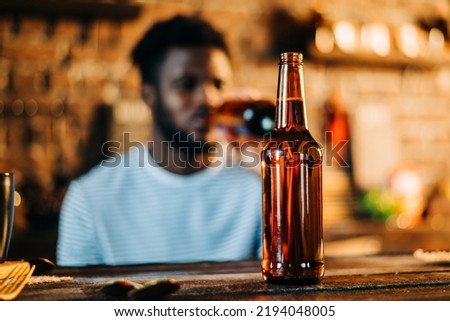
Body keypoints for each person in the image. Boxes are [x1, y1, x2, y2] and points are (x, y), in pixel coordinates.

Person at [56, 15, 262, 266]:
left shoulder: (258, 188)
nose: (209, 99)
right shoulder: (90, 197)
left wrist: (273, 167)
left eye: (218, 84)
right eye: (187, 84)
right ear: (148, 95)